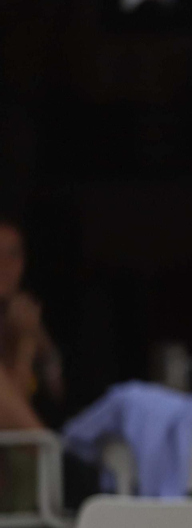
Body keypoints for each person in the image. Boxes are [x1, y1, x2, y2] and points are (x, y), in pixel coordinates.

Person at [0, 217, 64, 515]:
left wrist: (39, 342)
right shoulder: (21, 324)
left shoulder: (22, 312)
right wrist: (25, 343)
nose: (5, 265)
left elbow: (57, 388)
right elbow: (19, 422)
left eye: (13, 254)